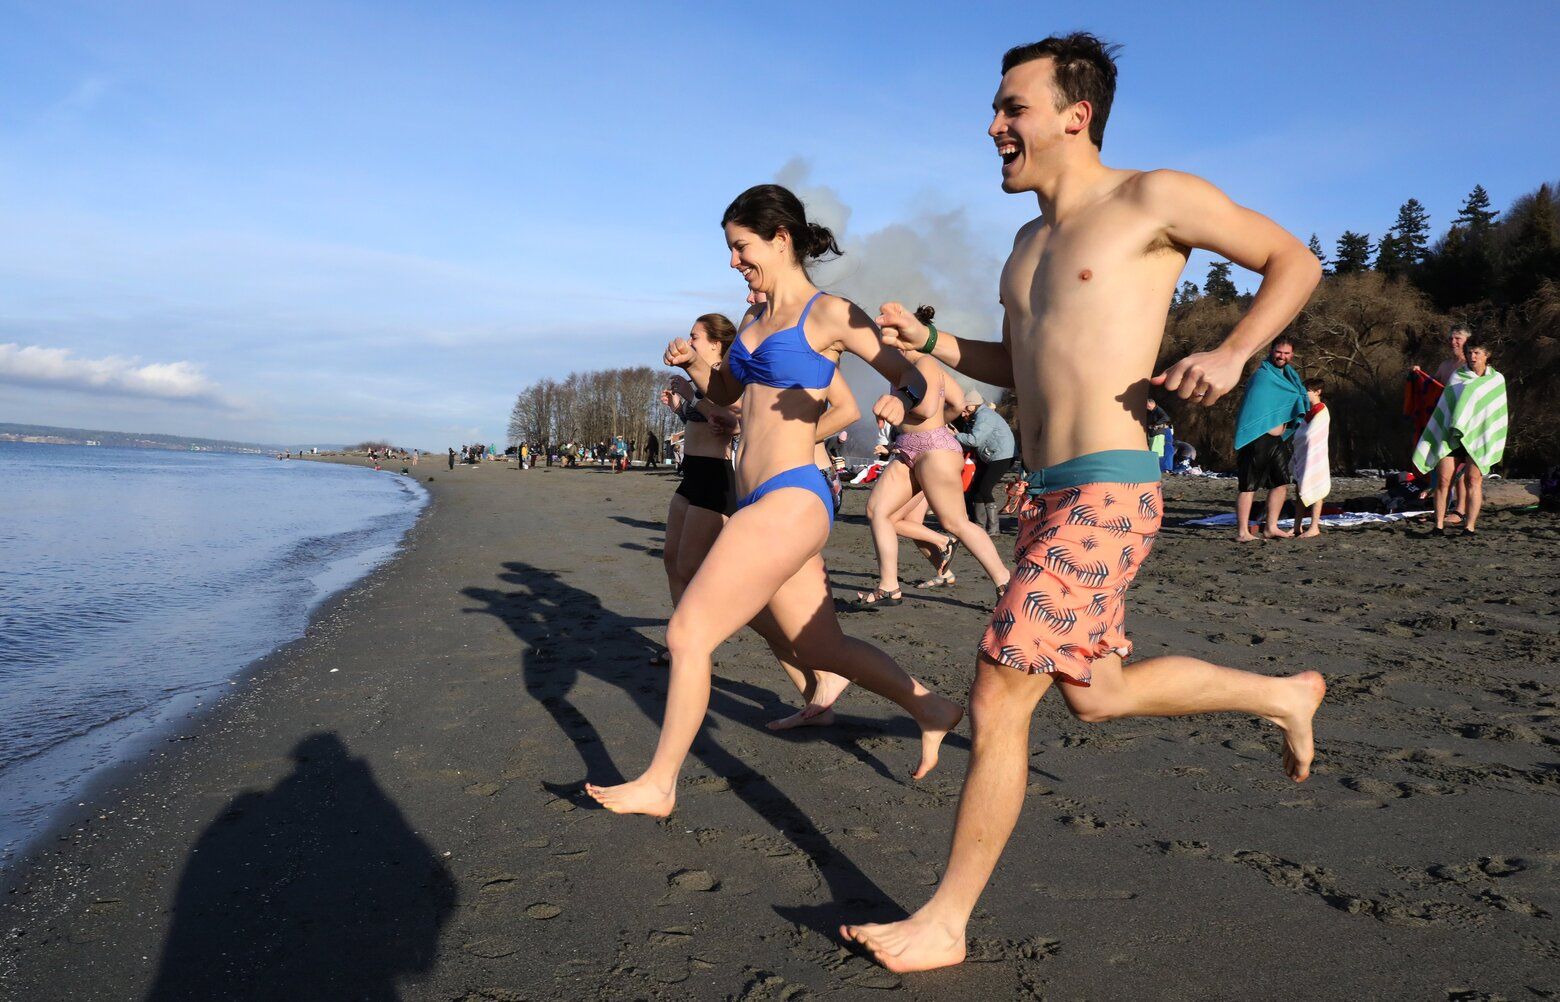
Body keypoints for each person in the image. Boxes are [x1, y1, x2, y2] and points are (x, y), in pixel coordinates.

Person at [841, 33, 1327, 972]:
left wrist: (1230, 354)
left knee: (999, 691)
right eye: (994, 109)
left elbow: (1293, 261)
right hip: (1043, 490)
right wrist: (935, 341)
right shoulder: (1024, 247)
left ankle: (946, 921)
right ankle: (1281, 694)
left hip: (1111, 488)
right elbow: (1017, 368)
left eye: (1011, 108)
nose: (993, 127)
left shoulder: (1153, 197)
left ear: (1076, 115)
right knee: (1094, 695)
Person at [585, 184, 964, 817]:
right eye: (731, 250)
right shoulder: (756, 322)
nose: (734, 261)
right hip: (756, 496)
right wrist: (692, 371)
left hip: (793, 496)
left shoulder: (830, 313)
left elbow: (909, 371)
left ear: (780, 238)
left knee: (687, 632)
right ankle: (931, 706)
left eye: (741, 247)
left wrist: (901, 400)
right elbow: (728, 393)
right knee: (820, 649)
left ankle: (660, 783)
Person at [856, 314, 1012, 606]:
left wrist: (902, 408)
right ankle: (889, 586)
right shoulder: (918, 369)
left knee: (955, 522)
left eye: (888, 338)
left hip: (932, 449)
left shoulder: (924, 364)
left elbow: (927, 408)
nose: (884, 346)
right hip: (912, 447)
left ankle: (1005, 580)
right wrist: (942, 424)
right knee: (879, 511)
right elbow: (956, 403)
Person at [1413, 336, 1507, 535]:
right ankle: (1438, 525)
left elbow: (1497, 414)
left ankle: (1469, 527)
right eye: (1470, 352)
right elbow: (1446, 407)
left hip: (1479, 435)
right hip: (1452, 434)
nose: (1472, 357)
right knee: (1444, 480)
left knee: (1473, 480)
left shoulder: (1496, 380)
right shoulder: (1458, 376)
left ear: (1486, 355)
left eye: (1477, 353)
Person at [1232, 337, 1308, 541]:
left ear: (1292, 355)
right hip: (1257, 438)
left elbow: (1297, 396)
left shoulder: (1290, 377)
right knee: (1248, 485)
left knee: (1281, 482)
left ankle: (1271, 527)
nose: (1282, 356)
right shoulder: (1263, 376)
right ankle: (1242, 532)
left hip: (1278, 440)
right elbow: (1254, 407)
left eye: (1286, 353)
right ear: (1271, 351)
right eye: (1278, 352)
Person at [954, 390, 1017, 535]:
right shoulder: (978, 416)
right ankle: (979, 526)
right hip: (991, 456)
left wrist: (956, 435)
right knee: (976, 490)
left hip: (1002, 456)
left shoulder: (985, 416)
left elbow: (974, 440)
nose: (963, 412)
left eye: (965, 408)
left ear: (971, 405)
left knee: (984, 489)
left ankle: (993, 528)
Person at [1292, 380, 1330, 538]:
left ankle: (1314, 526)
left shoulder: (1321, 410)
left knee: (1316, 487)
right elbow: (1301, 433)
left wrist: (1299, 437)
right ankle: (1297, 526)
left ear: (1317, 392)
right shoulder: (1309, 411)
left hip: (1316, 456)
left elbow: (1311, 434)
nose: (1305, 393)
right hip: (1303, 455)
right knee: (1300, 489)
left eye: (1308, 390)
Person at [1145, 397, 1174, 474]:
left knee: (1156, 451)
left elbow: (1166, 418)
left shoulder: (1158, 410)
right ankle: (1157, 468)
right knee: (1153, 450)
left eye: (1147, 405)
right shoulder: (1151, 412)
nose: (1147, 407)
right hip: (1153, 434)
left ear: (1152, 403)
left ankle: (1159, 469)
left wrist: (1156, 424)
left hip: (1158, 434)